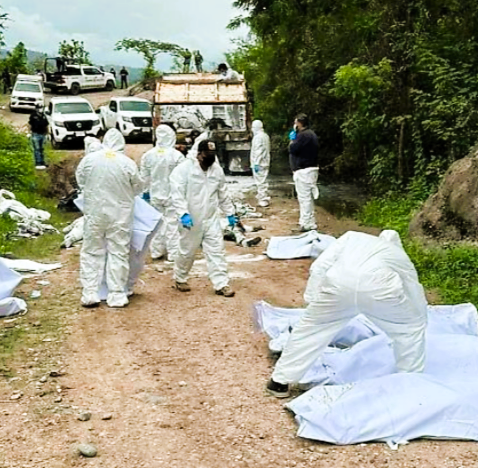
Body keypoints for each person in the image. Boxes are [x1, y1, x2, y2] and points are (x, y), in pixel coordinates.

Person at [266, 230, 428, 398]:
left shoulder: (352, 237)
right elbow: (412, 286)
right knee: (408, 331)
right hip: (379, 291)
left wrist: (312, 300)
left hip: (338, 285)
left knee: (311, 330)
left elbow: (320, 265)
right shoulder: (397, 254)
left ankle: (279, 382)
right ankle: (410, 383)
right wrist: (419, 318)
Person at [75, 129, 143, 308]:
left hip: (95, 213)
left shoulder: (89, 160)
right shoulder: (127, 163)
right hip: (120, 215)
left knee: (92, 251)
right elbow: (137, 187)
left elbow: (81, 182)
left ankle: (90, 293)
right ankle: (117, 294)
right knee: (118, 252)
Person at [169, 140, 236, 297]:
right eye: (207, 154)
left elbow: (223, 194)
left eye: (213, 154)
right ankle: (180, 278)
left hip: (211, 218)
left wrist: (230, 213)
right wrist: (183, 213)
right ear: (199, 154)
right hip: (191, 219)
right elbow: (177, 193)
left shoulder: (216, 171)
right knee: (187, 251)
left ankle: (222, 284)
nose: (210, 157)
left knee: (216, 250)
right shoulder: (184, 170)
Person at [139, 124, 185, 262]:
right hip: (172, 195)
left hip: (155, 194)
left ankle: (156, 251)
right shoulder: (177, 156)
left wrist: (145, 192)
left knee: (156, 224)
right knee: (172, 224)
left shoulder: (148, 156)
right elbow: (183, 177)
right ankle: (173, 253)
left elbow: (144, 177)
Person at [289, 113, 319, 232]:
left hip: (304, 170)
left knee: (305, 198)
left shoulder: (303, 136)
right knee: (307, 197)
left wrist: (292, 138)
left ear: (299, 123)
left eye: (296, 122)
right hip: (310, 169)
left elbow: (292, 149)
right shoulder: (311, 134)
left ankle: (307, 224)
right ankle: (306, 221)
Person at [250, 120, 271, 207]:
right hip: (265, 162)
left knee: (260, 182)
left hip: (260, 163)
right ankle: (262, 197)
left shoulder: (258, 137)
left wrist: (256, 163)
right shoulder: (265, 136)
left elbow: (259, 151)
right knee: (263, 180)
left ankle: (263, 199)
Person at [29, 104, 49, 170]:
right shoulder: (33, 116)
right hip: (35, 134)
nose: (40, 109)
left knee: (42, 149)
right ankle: (38, 162)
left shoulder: (43, 116)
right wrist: (29, 132)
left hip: (42, 134)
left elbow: (46, 125)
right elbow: (29, 124)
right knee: (37, 149)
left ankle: (43, 162)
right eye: (39, 108)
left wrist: (48, 134)